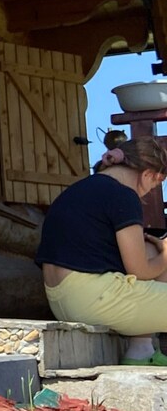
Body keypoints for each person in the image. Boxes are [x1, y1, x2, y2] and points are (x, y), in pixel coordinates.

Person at [36, 131, 167, 365]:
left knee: (149, 249)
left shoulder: (80, 189)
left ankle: (141, 352)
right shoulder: (123, 195)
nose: (150, 192)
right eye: (156, 185)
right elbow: (141, 270)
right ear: (148, 174)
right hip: (94, 298)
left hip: (62, 301)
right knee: (156, 254)